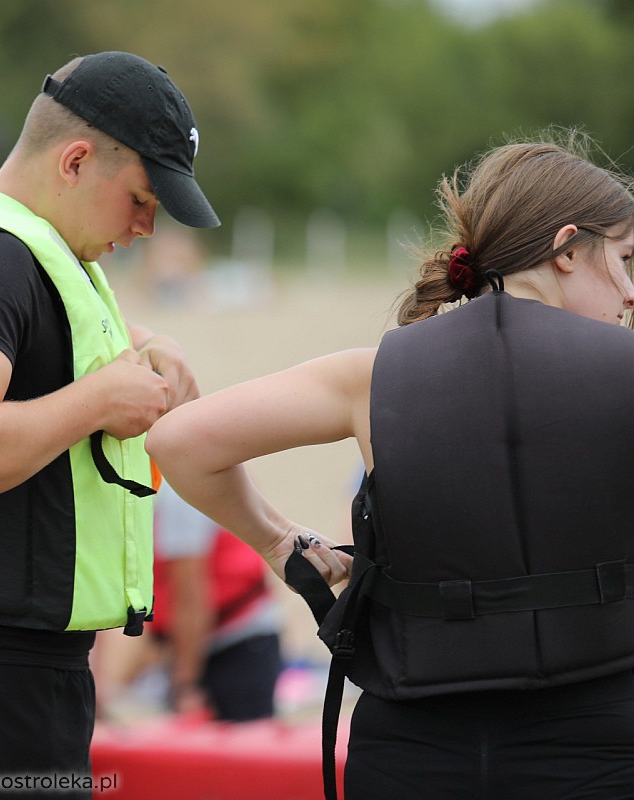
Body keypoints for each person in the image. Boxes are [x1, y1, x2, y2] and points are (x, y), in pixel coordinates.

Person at [146, 131, 634, 799]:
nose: (631, 294)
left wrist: (278, 540)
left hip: (411, 752)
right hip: (597, 748)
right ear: (570, 249)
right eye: (628, 259)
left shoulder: (374, 373)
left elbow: (179, 442)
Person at [0, 51, 219, 799]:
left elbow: (38, 342)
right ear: (77, 160)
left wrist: (138, 342)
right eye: (143, 199)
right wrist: (98, 402)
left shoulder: (23, 250)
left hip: (3, 676)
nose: (148, 228)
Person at [145, 480, 283, 722]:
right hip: (240, 639)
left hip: (235, 647)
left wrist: (185, 683)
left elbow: (192, 600)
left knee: (241, 751)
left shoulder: (179, 496)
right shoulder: (190, 482)